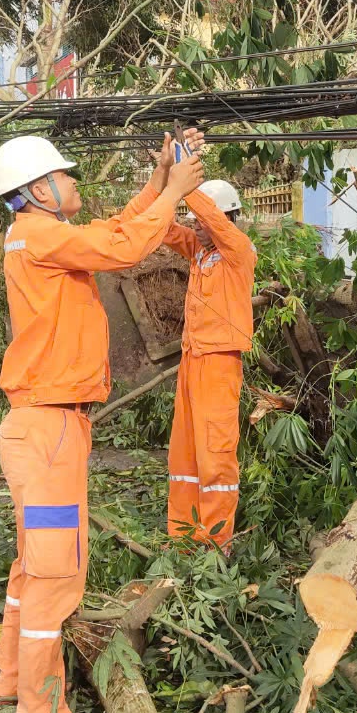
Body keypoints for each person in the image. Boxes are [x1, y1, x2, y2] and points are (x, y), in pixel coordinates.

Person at [0, 134, 204, 713]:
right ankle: (42, 708)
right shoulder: (40, 237)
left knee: (33, 563)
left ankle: (11, 680)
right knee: (56, 578)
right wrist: (176, 193)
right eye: (66, 175)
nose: (76, 182)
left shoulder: (37, 235)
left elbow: (113, 233)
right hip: (51, 430)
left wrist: (158, 184)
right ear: (39, 189)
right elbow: (125, 248)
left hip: (39, 427)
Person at [146, 164, 257, 548]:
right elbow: (166, 230)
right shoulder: (201, 251)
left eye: (200, 219)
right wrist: (163, 183)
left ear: (224, 217)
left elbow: (209, 218)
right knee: (185, 450)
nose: (193, 226)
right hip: (194, 359)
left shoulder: (236, 249)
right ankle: (183, 533)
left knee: (215, 450)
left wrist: (185, 185)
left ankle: (214, 538)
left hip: (220, 362)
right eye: (192, 220)